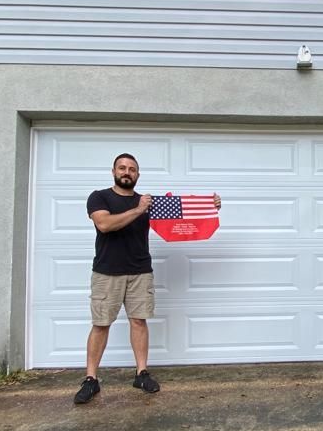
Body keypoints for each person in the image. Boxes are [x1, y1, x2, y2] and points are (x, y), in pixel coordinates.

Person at [74, 153, 221, 404]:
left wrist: (210, 206)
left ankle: (141, 373)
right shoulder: (100, 197)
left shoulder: (147, 202)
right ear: (113, 172)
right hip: (107, 272)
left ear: (137, 175)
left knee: (139, 322)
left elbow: (184, 217)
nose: (126, 172)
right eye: (122, 168)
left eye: (132, 169)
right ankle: (91, 379)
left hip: (140, 271)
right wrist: (139, 209)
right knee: (101, 324)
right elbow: (105, 225)